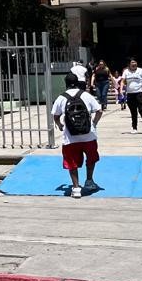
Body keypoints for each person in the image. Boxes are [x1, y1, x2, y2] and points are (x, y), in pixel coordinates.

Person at [51, 66, 104, 198]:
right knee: (91, 158)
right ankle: (89, 181)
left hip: (70, 137)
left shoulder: (61, 97)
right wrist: (94, 123)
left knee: (71, 162)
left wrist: (60, 125)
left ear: (66, 84)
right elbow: (99, 110)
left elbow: (55, 115)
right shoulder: (86, 95)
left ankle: (75, 188)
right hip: (89, 135)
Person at [118, 56, 142, 131]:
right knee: (133, 112)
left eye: (135, 62)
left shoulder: (141, 71)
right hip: (130, 94)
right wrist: (121, 90)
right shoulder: (126, 71)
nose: (134, 64)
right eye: (132, 63)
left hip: (139, 93)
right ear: (129, 64)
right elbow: (122, 81)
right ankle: (134, 128)